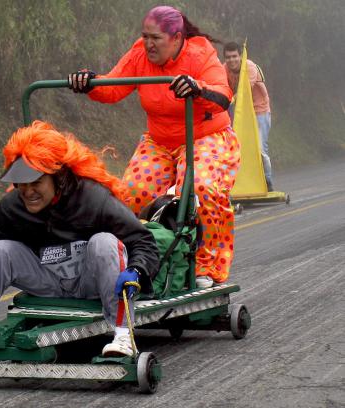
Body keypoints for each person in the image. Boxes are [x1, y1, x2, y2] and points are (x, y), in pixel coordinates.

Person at [0, 120, 159, 359]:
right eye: (22, 184)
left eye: (36, 182)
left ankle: (123, 338)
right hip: (48, 282)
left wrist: (136, 271)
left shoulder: (94, 198)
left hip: (91, 283)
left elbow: (143, 242)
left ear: (59, 177)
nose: (28, 191)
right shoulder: (11, 208)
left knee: (105, 242)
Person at [68, 5, 240, 288]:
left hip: (204, 136)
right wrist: (89, 83)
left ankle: (208, 266)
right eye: (145, 36)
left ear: (176, 38)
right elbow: (112, 87)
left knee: (200, 187)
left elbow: (223, 96)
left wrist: (198, 90)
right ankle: (127, 259)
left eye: (156, 38)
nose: (148, 43)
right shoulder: (140, 54)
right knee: (130, 194)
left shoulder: (199, 53)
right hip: (160, 141)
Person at [223, 41, 274, 191]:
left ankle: (268, 181)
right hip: (239, 110)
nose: (231, 60)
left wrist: (229, 100)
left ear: (240, 56)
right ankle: (237, 184)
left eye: (234, 56)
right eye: (228, 57)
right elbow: (220, 85)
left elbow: (244, 91)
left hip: (259, 111)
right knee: (235, 148)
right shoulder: (223, 69)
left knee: (260, 148)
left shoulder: (249, 67)